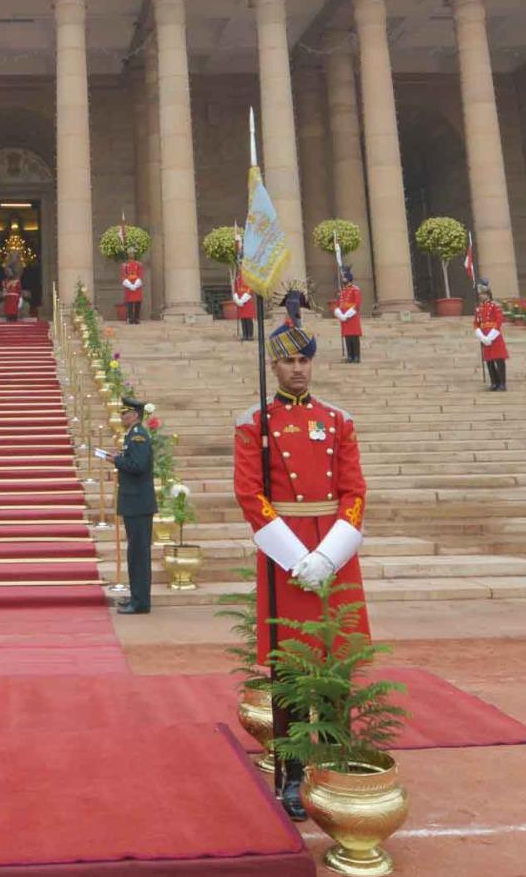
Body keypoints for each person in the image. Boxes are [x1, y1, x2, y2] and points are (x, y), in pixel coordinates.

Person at [233, 321, 370, 820]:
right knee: (290, 665)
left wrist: (329, 555)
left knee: (335, 661)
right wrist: (296, 559)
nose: (297, 369)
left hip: (333, 553)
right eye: (288, 362)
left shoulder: (338, 420)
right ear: (274, 366)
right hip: (284, 555)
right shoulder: (255, 424)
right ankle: (291, 773)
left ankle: (332, 757)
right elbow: (251, 495)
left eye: (304, 361)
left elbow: (354, 491)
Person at [100, 397, 154, 614]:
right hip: (135, 502)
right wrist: (120, 456)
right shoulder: (132, 435)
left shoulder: (138, 436)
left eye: (125, 413)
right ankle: (137, 597)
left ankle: (140, 602)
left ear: (135, 415)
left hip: (139, 503)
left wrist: (117, 461)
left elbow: (139, 465)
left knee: (139, 555)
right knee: (135, 553)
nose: (122, 417)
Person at [474, 279, 509, 391]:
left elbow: (499, 321)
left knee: (499, 359)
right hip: (484, 335)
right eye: (480, 294)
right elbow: (476, 323)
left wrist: (490, 336)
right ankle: (494, 382)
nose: (481, 296)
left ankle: (502, 383)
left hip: (494, 335)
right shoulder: (479, 308)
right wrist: (481, 336)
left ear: (488, 294)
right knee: (489, 360)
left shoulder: (494, 305)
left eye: (483, 294)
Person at [334, 266, 364, 363]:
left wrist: (347, 314)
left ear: (349, 279)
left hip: (352, 316)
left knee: (354, 337)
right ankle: (350, 356)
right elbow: (339, 303)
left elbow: (357, 304)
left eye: (345, 278)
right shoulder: (342, 291)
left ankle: (356, 356)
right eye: (343, 278)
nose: (343, 279)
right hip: (344, 318)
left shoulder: (355, 289)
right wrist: (338, 313)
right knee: (347, 337)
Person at [231, 266, 256, 341]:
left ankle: (250, 335)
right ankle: (245, 334)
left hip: (247, 300)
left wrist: (243, 299)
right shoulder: (237, 278)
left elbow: (250, 288)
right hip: (240, 300)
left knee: (248, 318)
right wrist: (237, 299)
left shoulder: (249, 278)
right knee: (243, 319)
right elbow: (235, 289)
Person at [120, 255, 145, 325]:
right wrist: (130, 285)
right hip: (128, 286)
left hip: (137, 286)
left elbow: (140, 275)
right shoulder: (124, 265)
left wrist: (135, 285)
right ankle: (130, 318)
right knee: (129, 303)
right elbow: (123, 276)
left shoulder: (139, 265)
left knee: (138, 303)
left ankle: (137, 318)